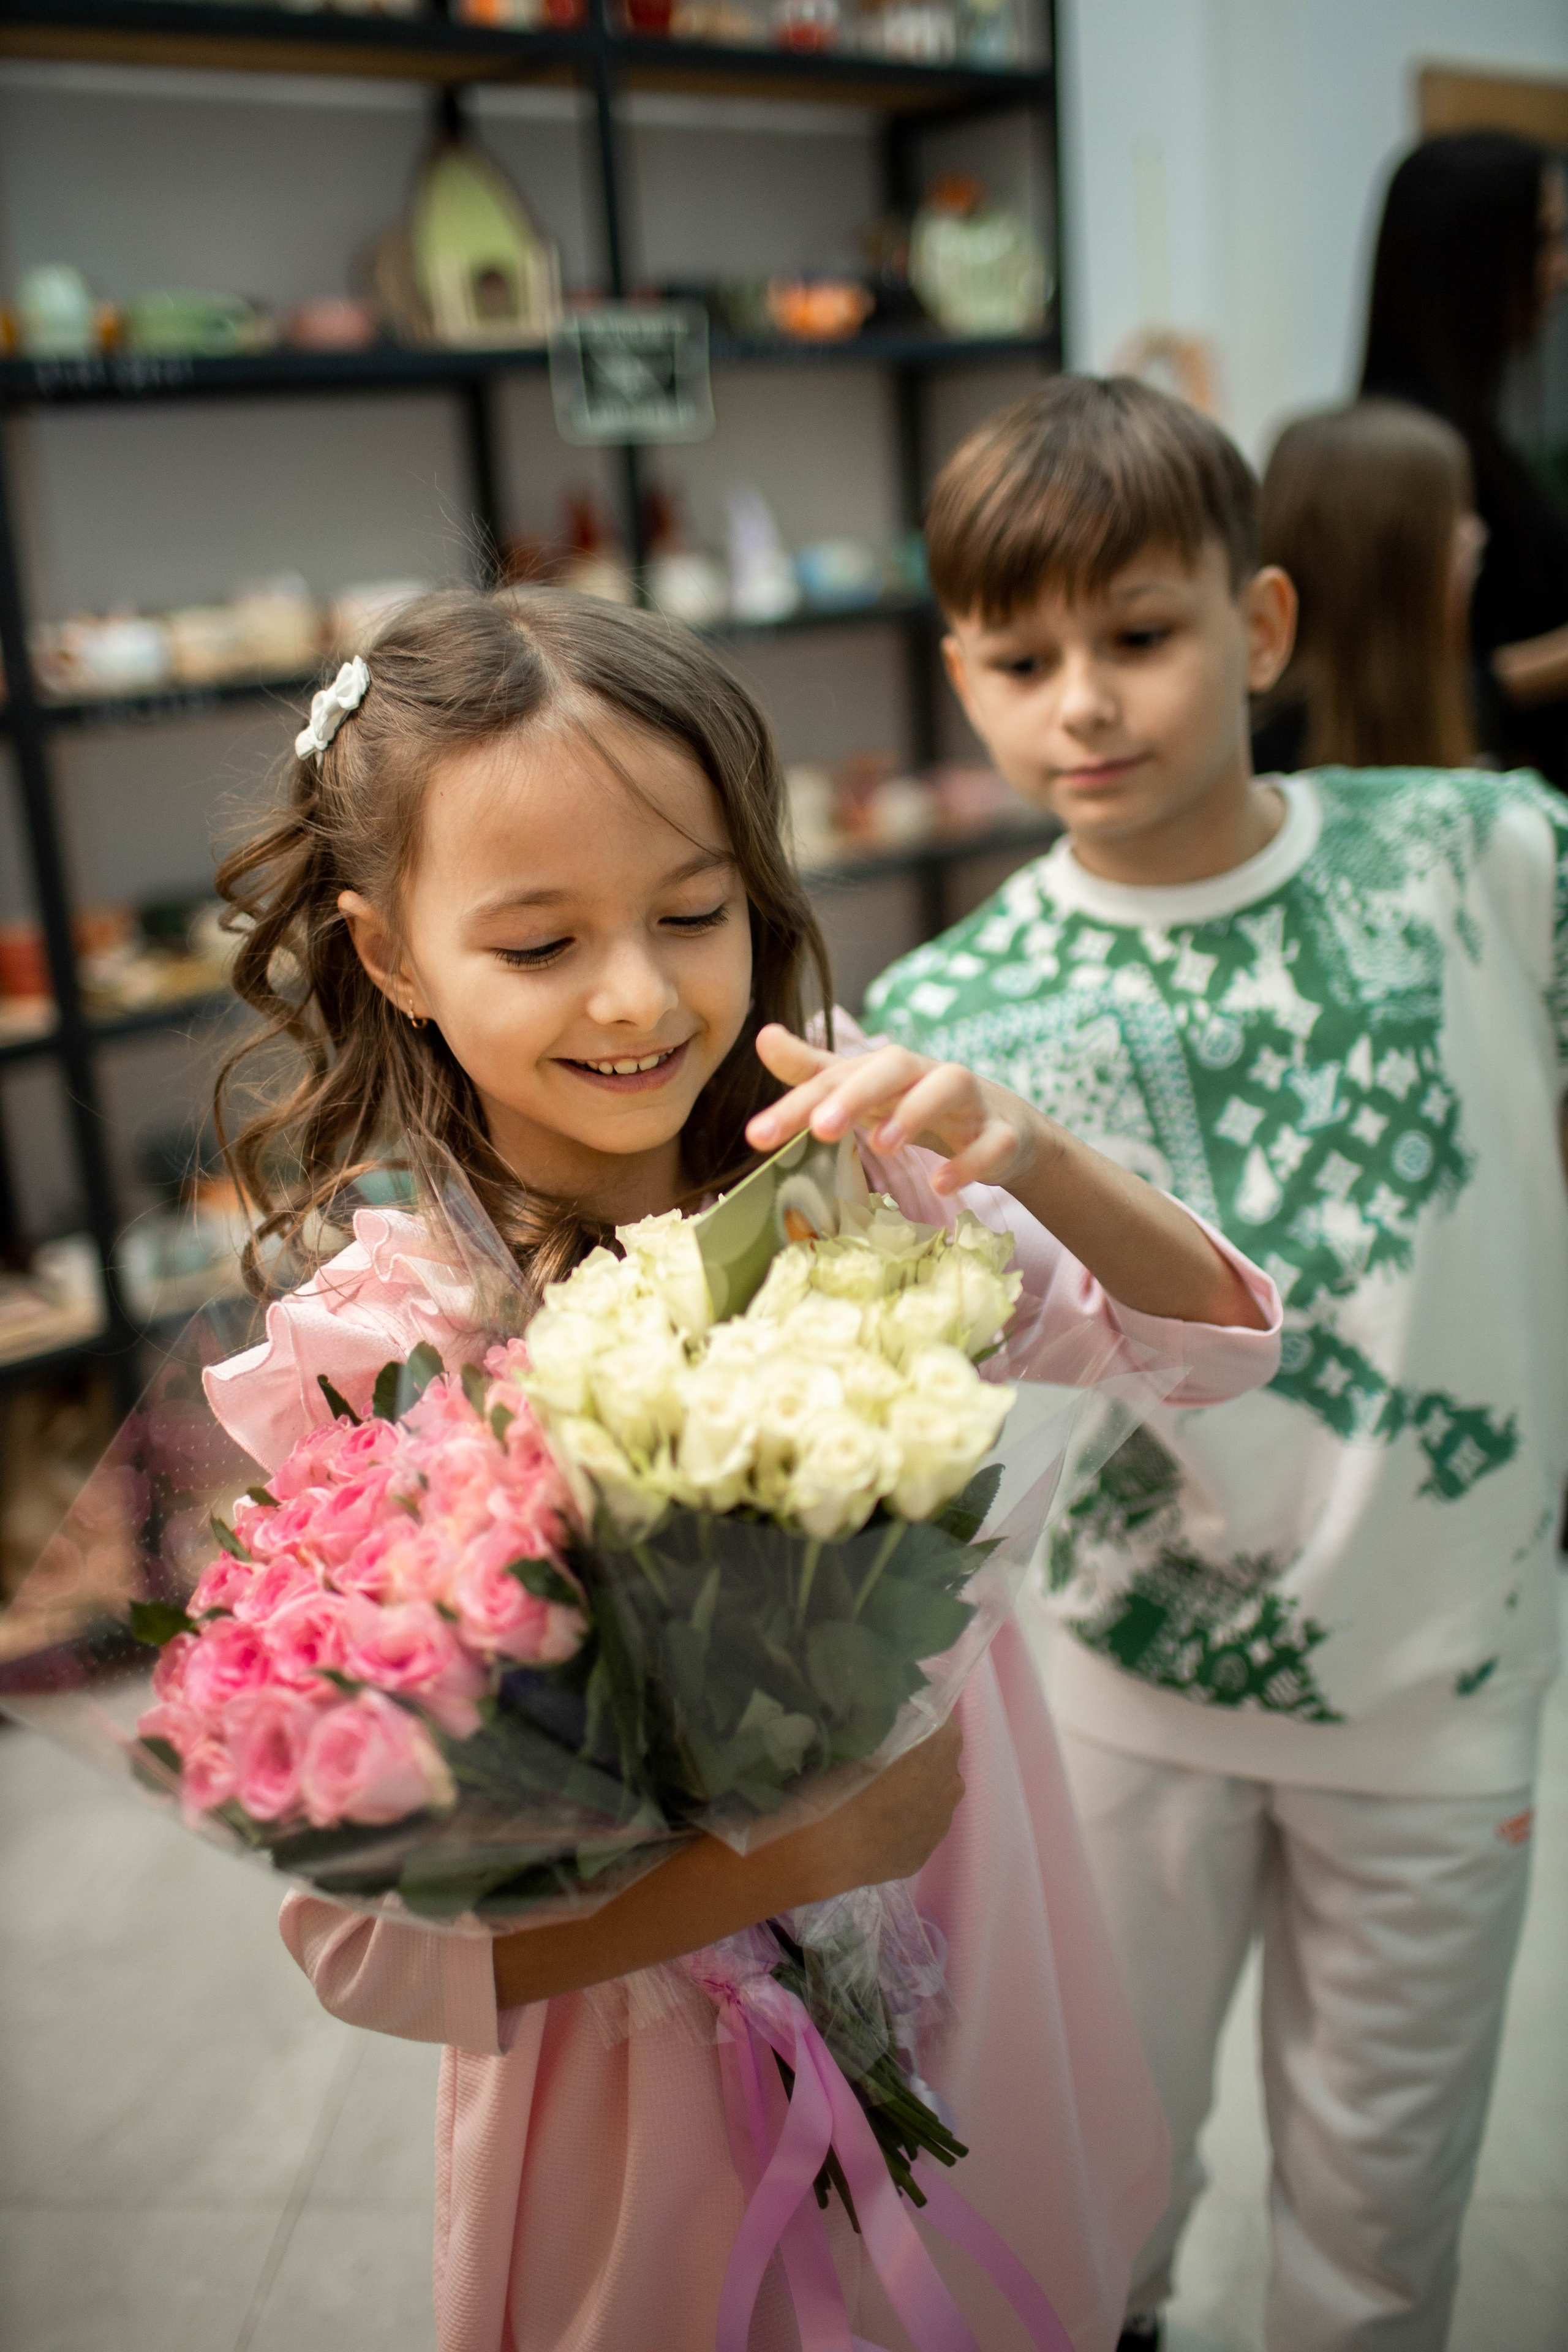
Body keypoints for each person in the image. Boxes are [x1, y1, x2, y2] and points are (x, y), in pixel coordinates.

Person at [201, 586, 1282, 2352]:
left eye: (694, 911)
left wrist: (1040, 1157)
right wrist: (796, 1859)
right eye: (539, 947)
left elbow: (1215, 1342)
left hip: (973, 1979)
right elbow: (365, 1946)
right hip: (640, 2117)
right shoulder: (372, 1356)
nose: (638, 995)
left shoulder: (872, 1188)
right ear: (390, 953)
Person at [865, 374, 1568, 2350]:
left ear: (1257, 629)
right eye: (1022, 658)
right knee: (1092, 2191)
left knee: (1379, 2219)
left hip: (1443, 1675)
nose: (1080, 701)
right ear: (963, 676)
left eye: (1140, 637)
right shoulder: (949, 1013)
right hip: (1120, 1687)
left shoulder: (1484, 861)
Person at [1360, 129, 1568, 786]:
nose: (1560, 268)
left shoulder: (1481, 433)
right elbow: (1408, 689)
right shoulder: (1402, 453)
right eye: (1544, 241)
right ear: (1475, 256)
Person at [1252, 398, 1480, 772]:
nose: (1473, 536)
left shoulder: (1425, 710)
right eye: (1454, 516)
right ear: (1397, 557)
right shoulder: (1269, 763)